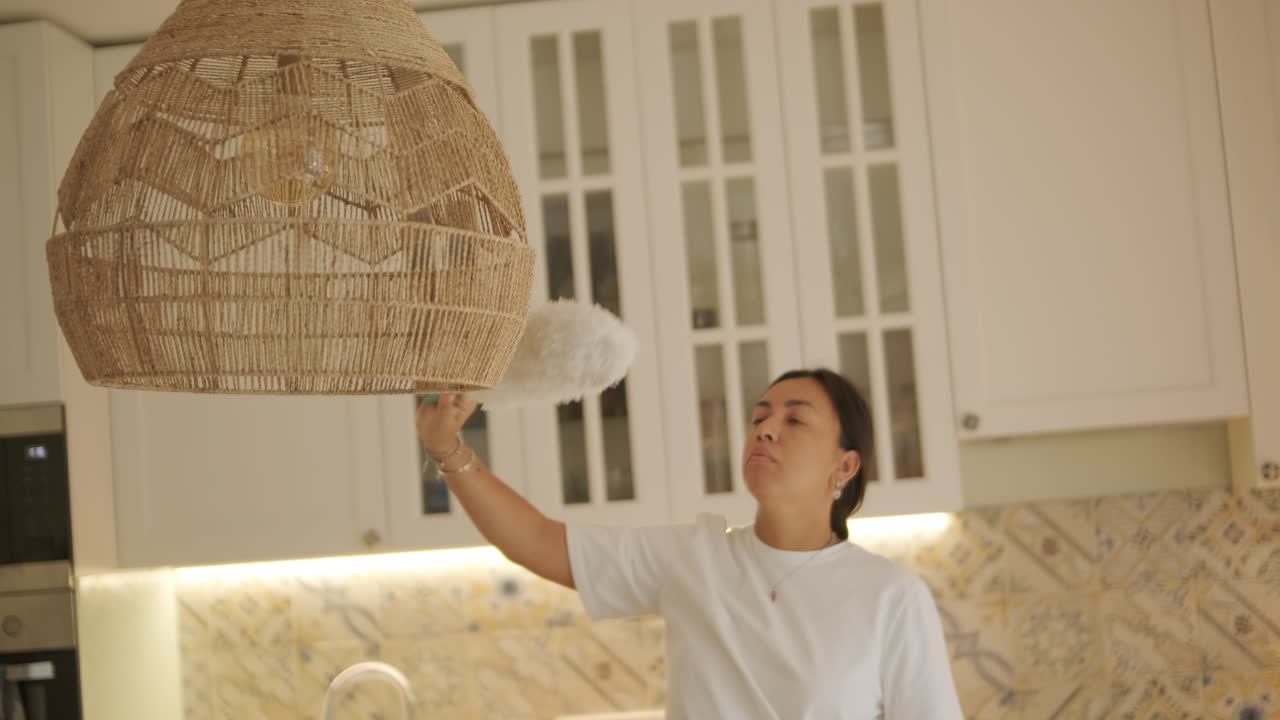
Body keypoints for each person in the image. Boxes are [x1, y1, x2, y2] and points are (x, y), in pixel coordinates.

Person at [416, 368, 963, 719]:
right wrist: (446, 447)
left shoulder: (890, 597)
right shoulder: (694, 558)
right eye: (759, 418)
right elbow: (536, 540)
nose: (766, 429)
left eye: (795, 420)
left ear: (844, 465)